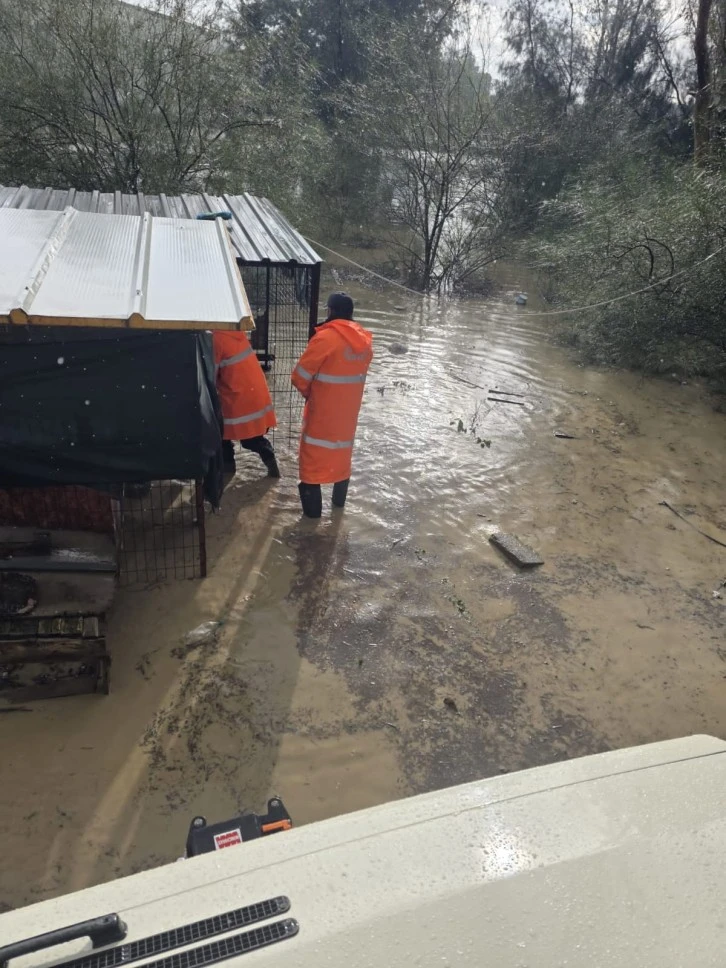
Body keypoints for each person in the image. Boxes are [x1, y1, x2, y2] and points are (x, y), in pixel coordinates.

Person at [291, 292, 373, 517]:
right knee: (341, 463)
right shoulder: (365, 342)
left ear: (330, 311)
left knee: (311, 469)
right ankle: (338, 517)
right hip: (348, 419)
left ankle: (311, 525)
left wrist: (311, 395)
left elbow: (299, 377)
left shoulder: (325, 339)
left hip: (322, 417)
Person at [213, 329, 280, 478]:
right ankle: (272, 468)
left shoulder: (216, 340)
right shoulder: (235, 334)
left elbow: (210, 375)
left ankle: (227, 473)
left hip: (239, 397)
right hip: (255, 393)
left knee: (222, 436)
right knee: (251, 438)